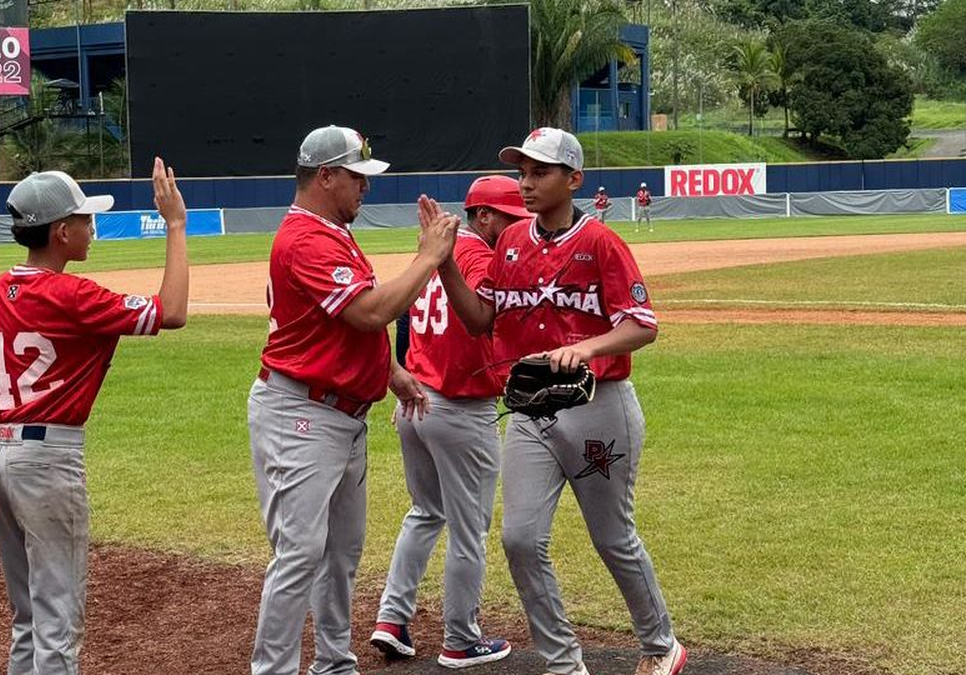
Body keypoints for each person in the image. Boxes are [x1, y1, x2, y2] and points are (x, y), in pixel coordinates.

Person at [435, 127, 686, 675]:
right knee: (521, 539)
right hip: (531, 412)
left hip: (600, 405)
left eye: (540, 172)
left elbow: (642, 325)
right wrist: (444, 261)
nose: (526, 183)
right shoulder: (511, 243)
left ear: (574, 179)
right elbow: (481, 320)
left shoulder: (600, 243)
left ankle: (660, 644)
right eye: (522, 172)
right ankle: (562, 663)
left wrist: (587, 346)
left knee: (612, 537)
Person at [0, 160, 190, 675]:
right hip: (46, 459)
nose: (92, 228)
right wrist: (174, 225)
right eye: (84, 219)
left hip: (0, 455)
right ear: (62, 232)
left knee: (28, 620)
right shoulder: (72, 295)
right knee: (58, 621)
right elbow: (171, 311)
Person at [248, 125, 459, 675]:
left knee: (340, 553)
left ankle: (335, 663)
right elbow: (367, 312)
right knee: (299, 555)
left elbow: (338, 328)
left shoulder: (329, 232)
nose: (365, 186)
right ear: (324, 176)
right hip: (304, 413)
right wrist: (430, 257)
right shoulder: (306, 238)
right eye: (356, 176)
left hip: (337, 413)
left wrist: (390, 372)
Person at [370, 175, 530, 669]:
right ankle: (461, 638)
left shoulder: (432, 253)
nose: (517, 230)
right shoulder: (479, 257)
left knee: (424, 513)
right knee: (469, 530)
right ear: (483, 217)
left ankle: (392, 619)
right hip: (460, 409)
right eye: (510, 220)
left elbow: (399, 318)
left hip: (415, 401)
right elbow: (482, 317)